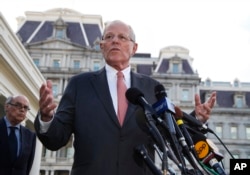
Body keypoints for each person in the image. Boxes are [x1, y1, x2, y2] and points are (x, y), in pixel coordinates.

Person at [34, 20, 216, 175]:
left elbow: (168, 136)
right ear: (101, 45)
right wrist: (46, 117)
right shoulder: (79, 85)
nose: (115, 41)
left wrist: (195, 119)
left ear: (134, 47)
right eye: (109, 37)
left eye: (122, 37)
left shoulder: (153, 88)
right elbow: (56, 139)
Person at [0, 95, 36, 175]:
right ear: (6, 107)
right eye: (18, 105)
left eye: (25, 108)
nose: (22, 110)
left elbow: (27, 167)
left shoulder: (30, 136)